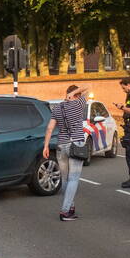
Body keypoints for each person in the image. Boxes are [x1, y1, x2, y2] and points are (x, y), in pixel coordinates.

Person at [43, 84, 89, 221]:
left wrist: (45, 146)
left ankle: (70, 207)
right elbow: (89, 86)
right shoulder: (79, 103)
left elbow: (50, 128)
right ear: (76, 95)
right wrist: (75, 93)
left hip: (61, 145)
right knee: (74, 179)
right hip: (76, 144)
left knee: (65, 179)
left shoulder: (57, 107)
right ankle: (65, 211)